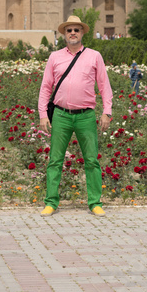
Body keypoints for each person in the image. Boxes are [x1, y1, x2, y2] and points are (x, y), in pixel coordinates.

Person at [38, 15, 113, 217]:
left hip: (85, 115)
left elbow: (104, 86)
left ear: (82, 33)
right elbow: (46, 87)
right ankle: (51, 202)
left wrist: (107, 111)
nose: (72, 33)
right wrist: (43, 114)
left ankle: (95, 202)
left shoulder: (94, 56)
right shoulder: (55, 57)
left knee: (91, 160)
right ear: (64, 34)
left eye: (76, 30)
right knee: (55, 160)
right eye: (69, 30)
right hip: (61, 115)